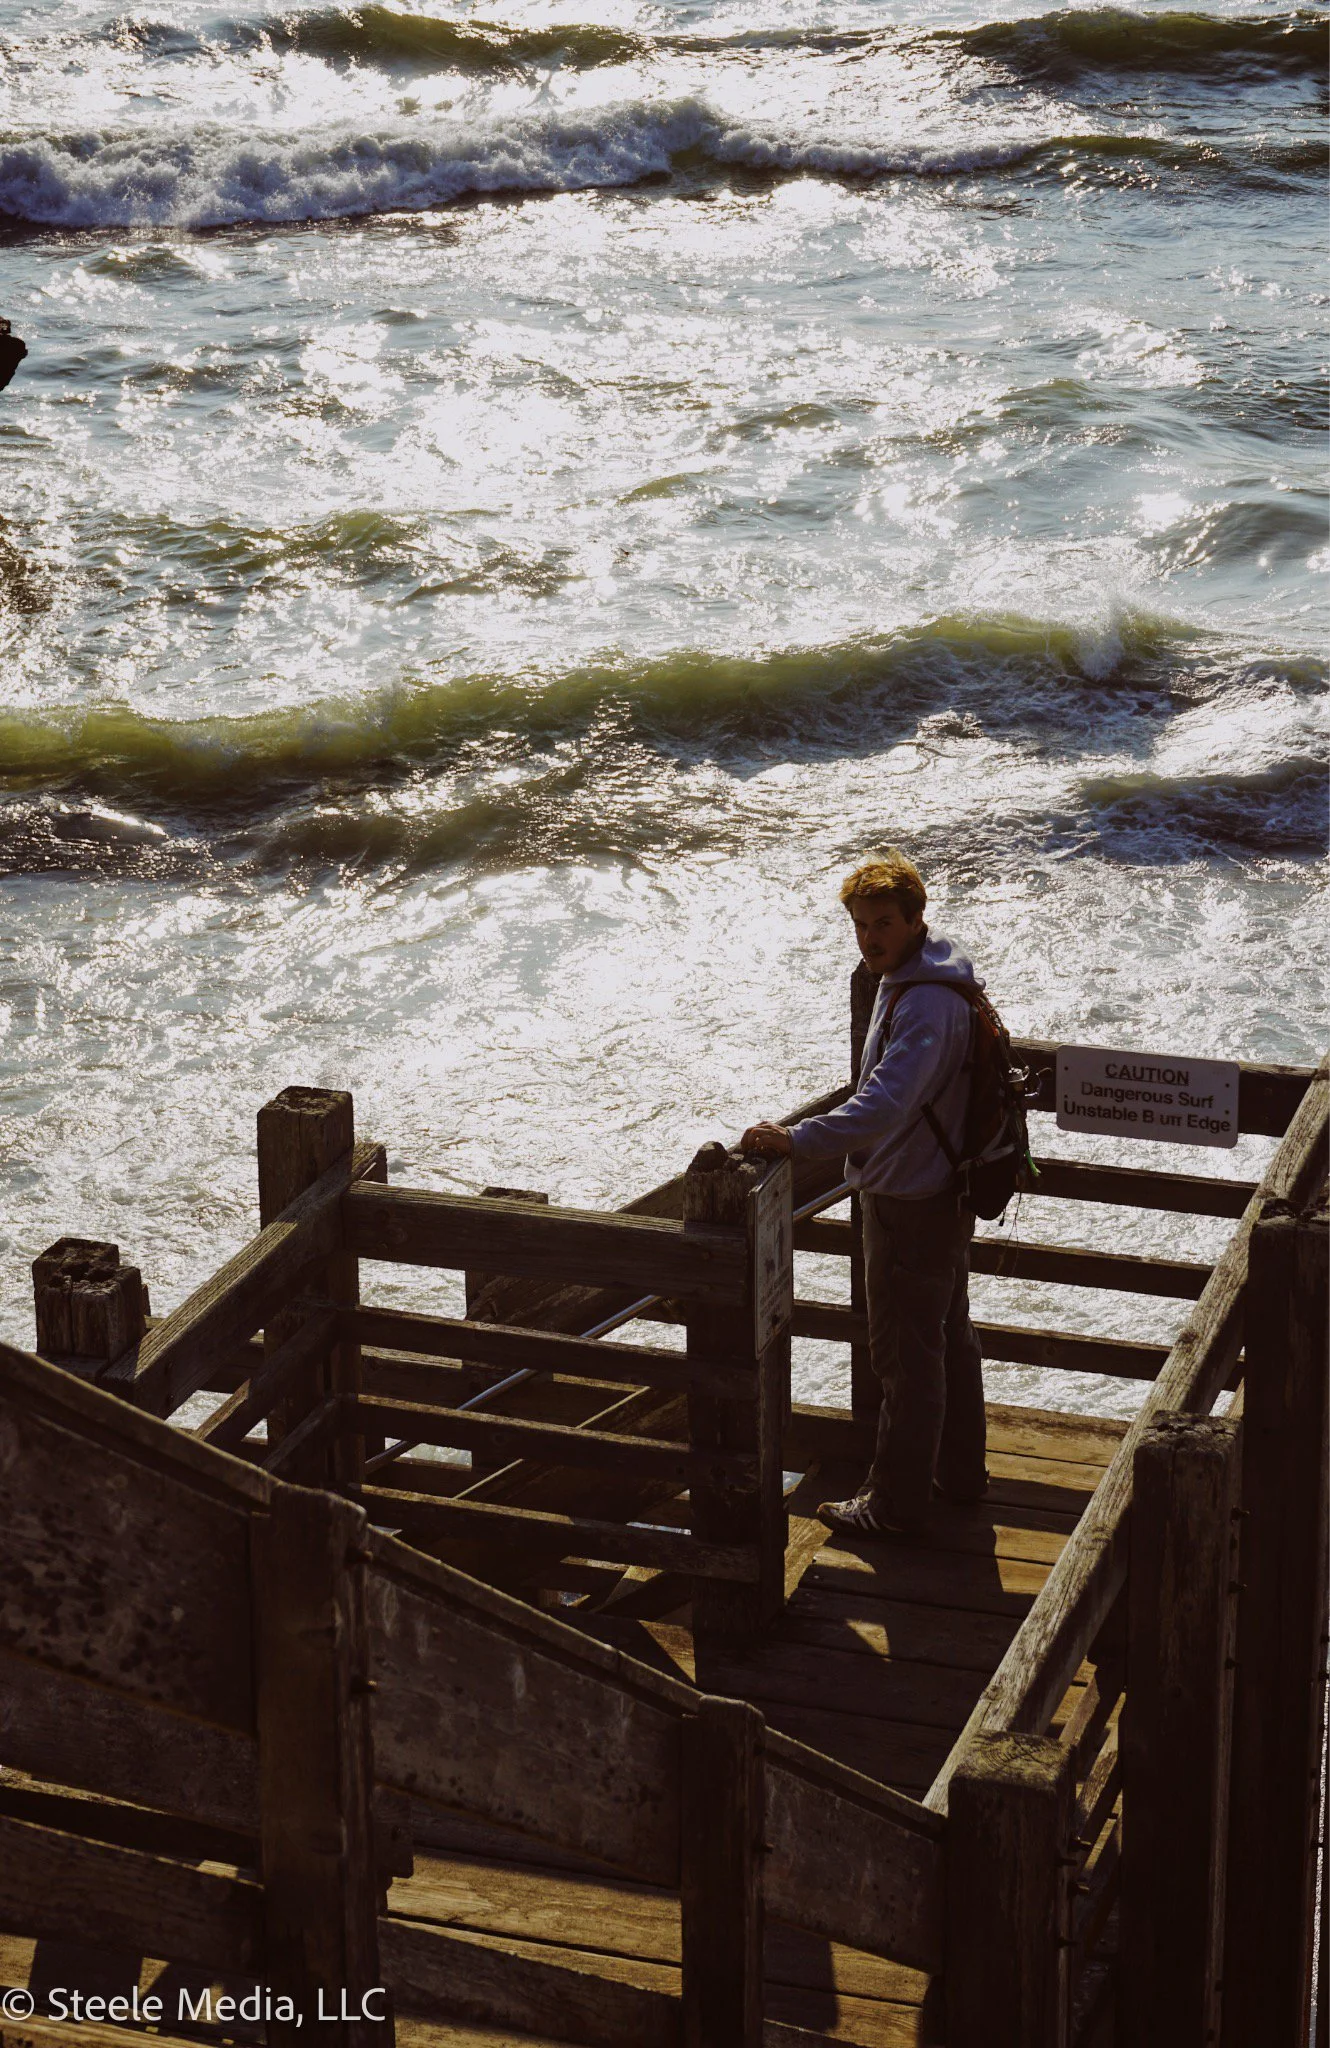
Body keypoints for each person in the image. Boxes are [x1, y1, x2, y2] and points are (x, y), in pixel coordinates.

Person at [740, 850, 988, 1537]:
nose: (870, 939)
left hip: (912, 1197)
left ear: (916, 919)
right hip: (939, 1190)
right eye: (860, 926)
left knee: (907, 1358)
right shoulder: (923, 977)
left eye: (883, 923)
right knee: (945, 1338)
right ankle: (961, 1475)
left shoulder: (926, 1004)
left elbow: (882, 1105)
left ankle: (896, 1505)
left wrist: (798, 1138)